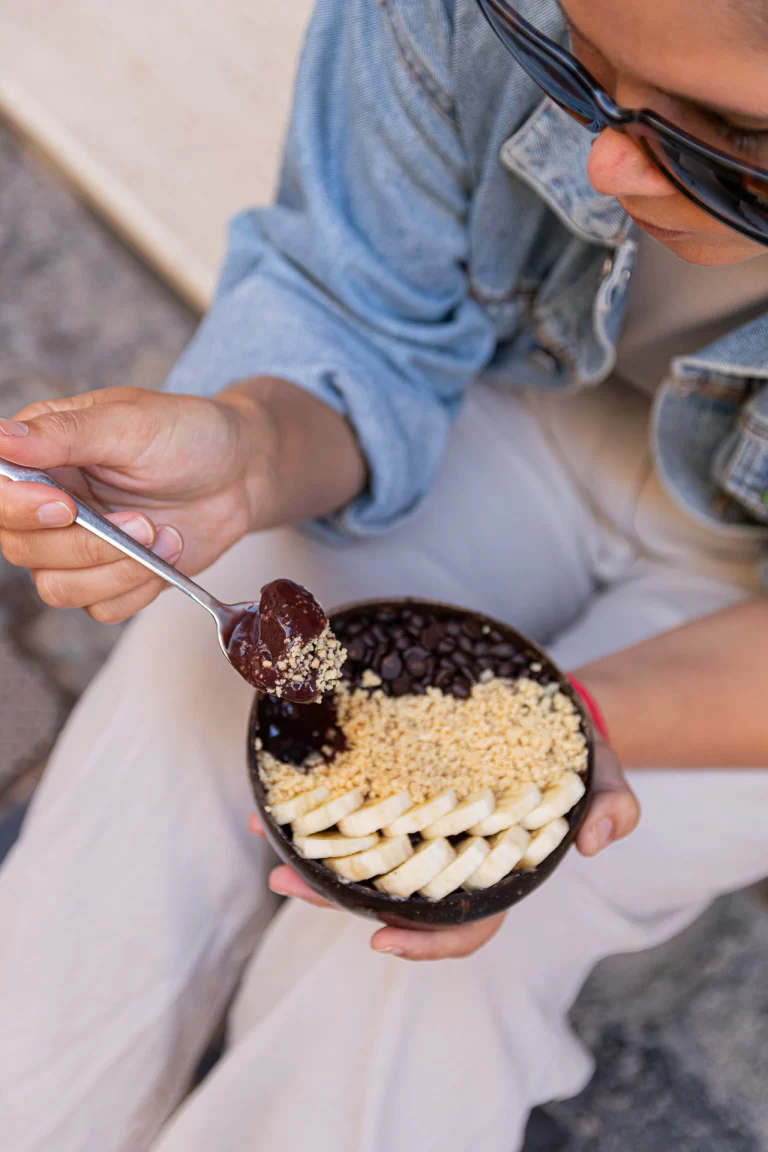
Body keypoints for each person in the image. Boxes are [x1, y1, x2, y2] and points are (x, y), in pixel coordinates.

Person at [1, 0, 768, 1147]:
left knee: (442, 956)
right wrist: (250, 450)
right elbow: (357, 303)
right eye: (577, 63)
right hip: (513, 400)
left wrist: (560, 736)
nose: (609, 160)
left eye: (722, 135)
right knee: (183, 708)